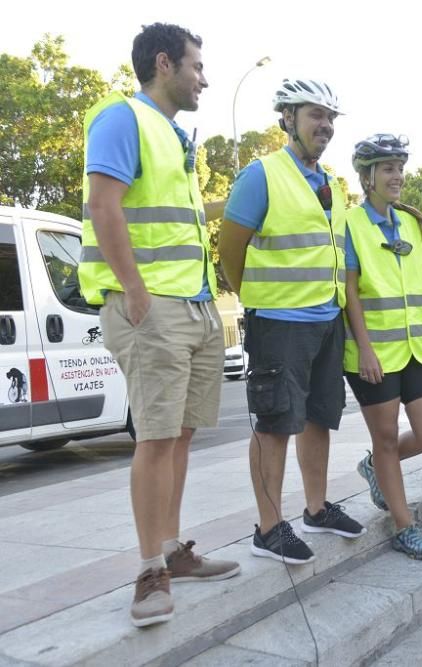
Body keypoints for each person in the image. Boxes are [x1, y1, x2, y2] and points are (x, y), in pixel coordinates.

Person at [80, 23, 240, 628]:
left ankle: (173, 550)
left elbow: (172, 218)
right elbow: (103, 205)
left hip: (194, 304)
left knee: (179, 436)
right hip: (153, 307)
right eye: (198, 66)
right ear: (166, 63)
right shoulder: (124, 118)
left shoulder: (174, 137)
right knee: (154, 438)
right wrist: (138, 293)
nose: (205, 78)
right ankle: (150, 571)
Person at [219, 77, 364, 567]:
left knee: (320, 418)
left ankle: (317, 508)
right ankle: (267, 527)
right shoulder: (262, 175)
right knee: (276, 423)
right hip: (279, 321)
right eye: (314, 115)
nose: (324, 124)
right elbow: (230, 250)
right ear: (288, 119)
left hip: (326, 317)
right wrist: (254, 296)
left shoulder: (331, 184)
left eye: (330, 117)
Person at [344, 134, 422, 559]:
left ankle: (373, 469)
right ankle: (405, 527)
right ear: (368, 177)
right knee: (385, 437)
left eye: (400, 169)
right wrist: (364, 348)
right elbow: (349, 291)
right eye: (388, 169)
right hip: (373, 354)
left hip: (417, 347)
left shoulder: (412, 223)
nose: (398, 177)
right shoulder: (350, 224)